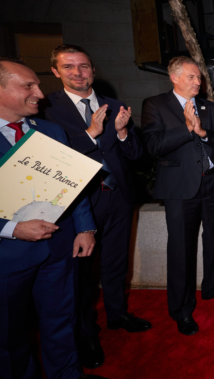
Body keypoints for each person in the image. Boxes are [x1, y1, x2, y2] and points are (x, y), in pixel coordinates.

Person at [44, 44, 150, 369]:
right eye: (69, 67)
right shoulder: (46, 109)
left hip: (118, 197)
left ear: (93, 69)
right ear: (55, 72)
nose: (78, 72)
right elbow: (49, 157)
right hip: (79, 202)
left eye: (84, 66)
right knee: (82, 274)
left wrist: (120, 134)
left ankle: (117, 314)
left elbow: (135, 154)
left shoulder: (113, 104)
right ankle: (86, 332)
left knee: (117, 263)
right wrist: (90, 134)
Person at [0, 58, 102, 379]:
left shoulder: (51, 130)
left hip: (59, 250)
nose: (40, 94)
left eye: (38, 85)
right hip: (7, 259)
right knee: (9, 339)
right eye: (28, 86)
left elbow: (72, 184)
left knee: (61, 325)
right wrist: (13, 228)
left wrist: (85, 226)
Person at [141, 56, 214, 336]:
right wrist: (185, 128)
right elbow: (153, 145)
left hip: (213, 184)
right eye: (192, 77)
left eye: (199, 78)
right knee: (181, 248)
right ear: (175, 77)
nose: (198, 82)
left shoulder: (210, 107)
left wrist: (203, 132)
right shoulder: (155, 105)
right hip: (180, 189)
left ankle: (213, 287)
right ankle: (181, 310)